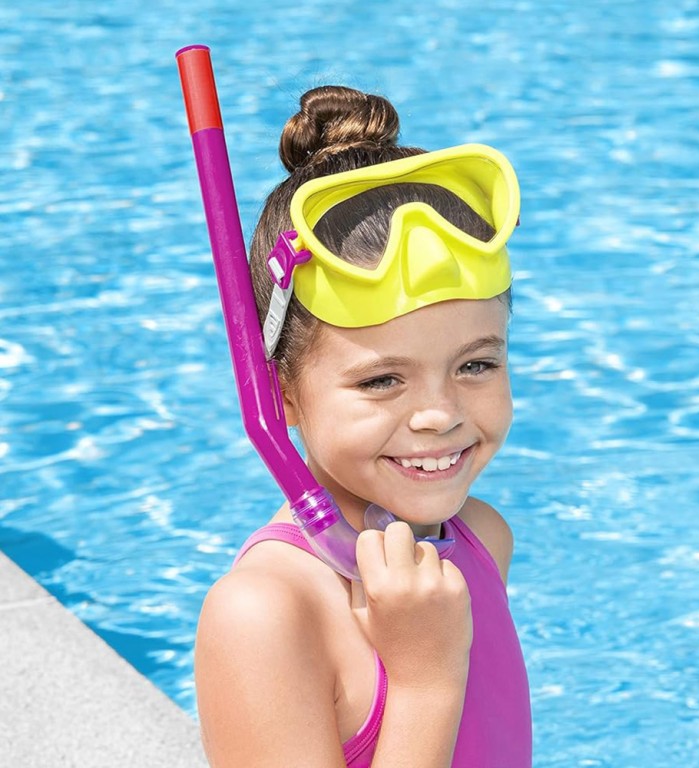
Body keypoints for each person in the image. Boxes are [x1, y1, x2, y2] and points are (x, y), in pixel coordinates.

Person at [194, 85, 532, 768]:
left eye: (476, 364)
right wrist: (426, 679)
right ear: (281, 393)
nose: (440, 414)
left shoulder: (481, 540)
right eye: (382, 380)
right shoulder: (265, 615)